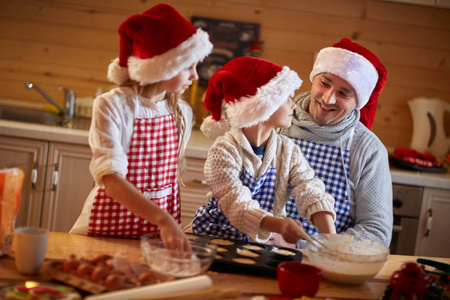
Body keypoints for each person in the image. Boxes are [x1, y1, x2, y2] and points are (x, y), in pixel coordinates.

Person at [70, 3, 213, 250]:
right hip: (105, 231)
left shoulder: (182, 113)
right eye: (187, 66)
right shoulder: (113, 105)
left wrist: (167, 222)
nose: (195, 76)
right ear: (160, 66)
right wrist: (163, 218)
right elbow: (111, 179)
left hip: (156, 237)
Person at [191, 57, 336, 247]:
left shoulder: (288, 151)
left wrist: (332, 240)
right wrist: (279, 225)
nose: (293, 105)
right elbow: (235, 202)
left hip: (266, 238)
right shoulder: (223, 151)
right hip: (219, 236)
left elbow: (310, 189)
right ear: (262, 106)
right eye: (286, 98)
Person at [279, 38, 393, 247]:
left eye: (343, 93)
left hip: (326, 263)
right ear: (313, 79)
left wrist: (313, 247)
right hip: (257, 250)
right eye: (325, 83)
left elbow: (376, 232)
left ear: (358, 102)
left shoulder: (367, 149)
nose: (328, 99)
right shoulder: (275, 122)